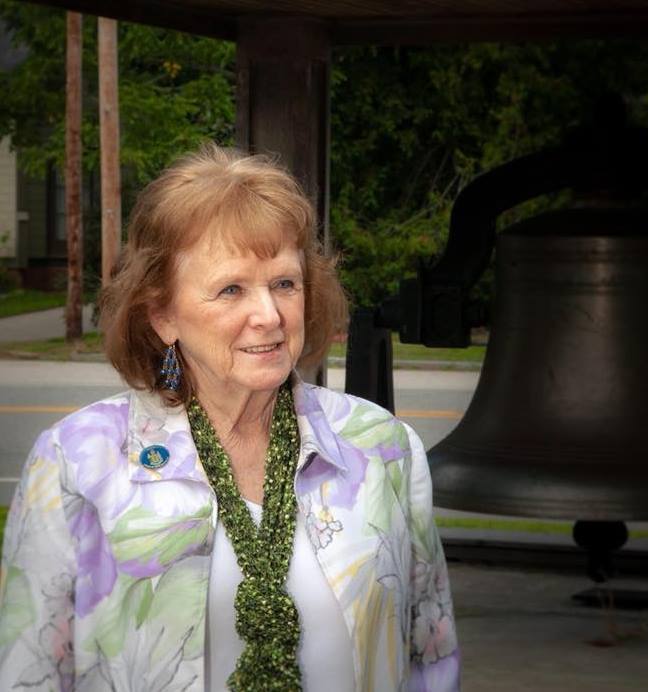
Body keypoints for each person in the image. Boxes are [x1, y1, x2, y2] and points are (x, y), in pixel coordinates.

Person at [0, 143, 460, 691]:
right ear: (163, 315)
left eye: (284, 284)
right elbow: (30, 669)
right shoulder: (77, 461)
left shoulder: (383, 447)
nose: (268, 315)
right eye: (231, 289)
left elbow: (431, 657)